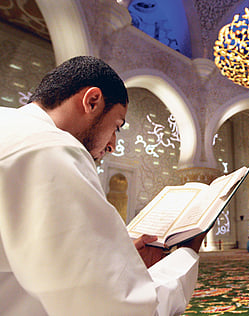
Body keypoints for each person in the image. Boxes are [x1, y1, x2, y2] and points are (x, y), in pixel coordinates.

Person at [0, 56, 206, 315]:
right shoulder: (52, 149)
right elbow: (116, 309)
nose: (112, 144)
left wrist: (114, 258)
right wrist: (186, 254)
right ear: (92, 101)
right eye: (116, 126)